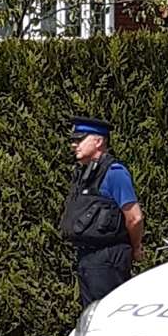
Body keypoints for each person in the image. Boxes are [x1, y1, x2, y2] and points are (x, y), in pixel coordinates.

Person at [60, 117, 144, 306]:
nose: (74, 145)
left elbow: (135, 217)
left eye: (80, 140)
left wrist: (135, 247)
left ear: (98, 141)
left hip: (108, 258)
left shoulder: (114, 173)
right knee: (91, 315)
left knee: (109, 314)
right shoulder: (84, 174)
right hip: (87, 257)